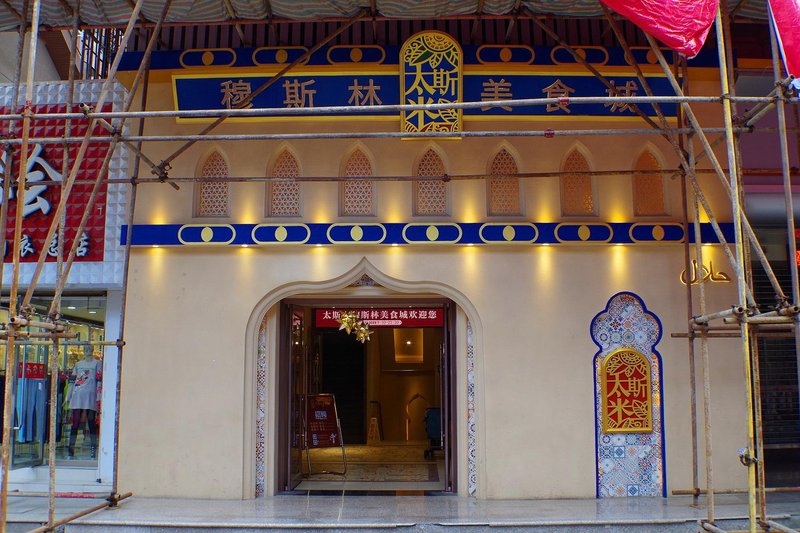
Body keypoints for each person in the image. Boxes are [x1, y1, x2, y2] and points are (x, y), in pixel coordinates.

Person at [67, 343, 102, 458]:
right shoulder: (78, 364)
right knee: (75, 424)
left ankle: (93, 450)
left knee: (91, 424)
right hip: (77, 396)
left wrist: (99, 397)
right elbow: (72, 381)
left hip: (90, 397)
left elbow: (99, 381)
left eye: (89, 348)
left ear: (92, 349)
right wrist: (68, 396)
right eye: (85, 348)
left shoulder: (97, 363)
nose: (87, 350)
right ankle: (70, 450)